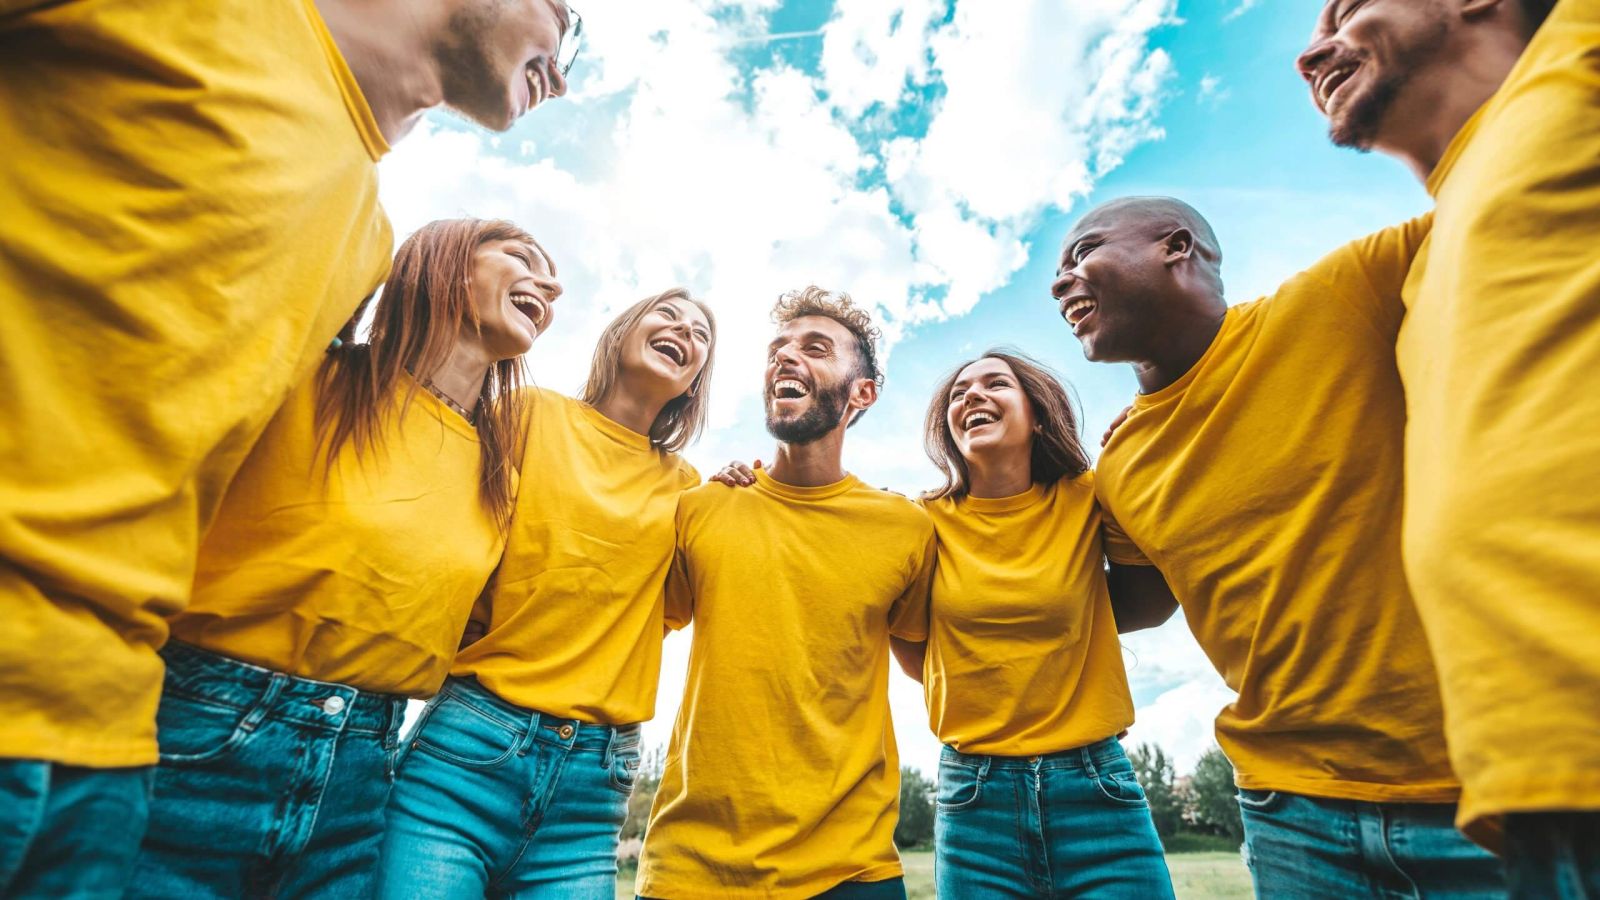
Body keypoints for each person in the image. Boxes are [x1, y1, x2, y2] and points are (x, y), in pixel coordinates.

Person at [0, 0, 576, 891]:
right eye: (564, 13)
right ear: (447, 262)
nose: (565, 66)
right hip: (192, 720)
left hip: (151, 740)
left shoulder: (358, 232)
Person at [1054, 196, 1505, 896]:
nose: (1060, 282)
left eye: (1083, 252)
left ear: (1177, 247)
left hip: (1490, 790)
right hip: (1292, 815)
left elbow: (1512, 192)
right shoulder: (1120, 464)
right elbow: (1134, 604)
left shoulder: (1342, 297)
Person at [120, 218, 558, 897]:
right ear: (441, 264)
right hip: (203, 730)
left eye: (551, 273)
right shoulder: (310, 375)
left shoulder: (500, 477)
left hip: (363, 768)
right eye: (520, 255)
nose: (550, 283)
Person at [1299, 0, 1598, 885]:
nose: (1312, 53)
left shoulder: (1573, 74)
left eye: (1348, 9)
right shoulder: (1429, 263)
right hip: (1537, 778)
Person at [380, 288, 715, 899]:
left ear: (695, 383)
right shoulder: (527, 412)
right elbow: (453, 534)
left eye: (701, 335)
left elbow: (667, 611)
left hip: (590, 787)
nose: (685, 331)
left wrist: (736, 501)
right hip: (470, 748)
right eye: (667, 314)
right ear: (622, 333)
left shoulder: (689, 490)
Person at [636, 288, 936, 900]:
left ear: (863, 393)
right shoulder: (702, 507)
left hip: (852, 870)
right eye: (778, 350)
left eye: (815, 348)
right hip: (693, 870)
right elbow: (629, 623)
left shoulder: (905, 529)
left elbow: (930, 662)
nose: (785, 358)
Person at [902, 350, 1176, 898]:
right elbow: (917, 654)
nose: (971, 396)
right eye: (959, 393)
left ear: (1040, 415)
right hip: (974, 799)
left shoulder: (1092, 497)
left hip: (1098, 787)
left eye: (995, 384)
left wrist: (1148, 436)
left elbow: (1150, 602)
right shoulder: (920, 523)